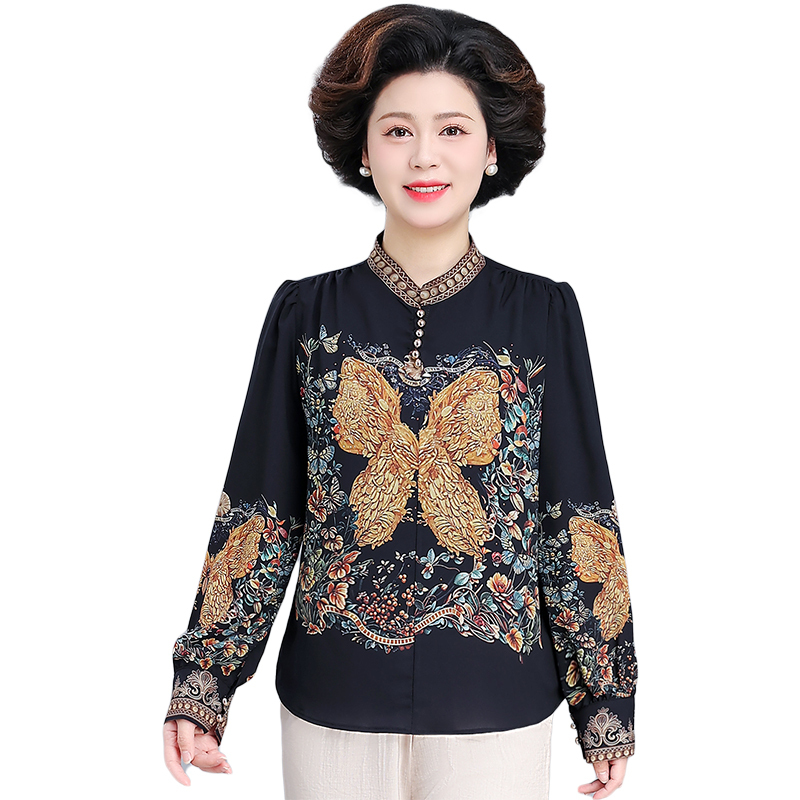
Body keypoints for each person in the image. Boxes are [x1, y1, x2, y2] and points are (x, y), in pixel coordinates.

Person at [162, 5, 637, 799]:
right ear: (363, 147)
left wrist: (606, 702)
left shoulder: (542, 315)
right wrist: (202, 687)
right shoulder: (306, 315)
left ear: (491, 147)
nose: (424, 155)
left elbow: (575, 510)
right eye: (397, 130)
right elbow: (261, 508)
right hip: (332, 706)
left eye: (452, 129)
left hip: (497, 706)